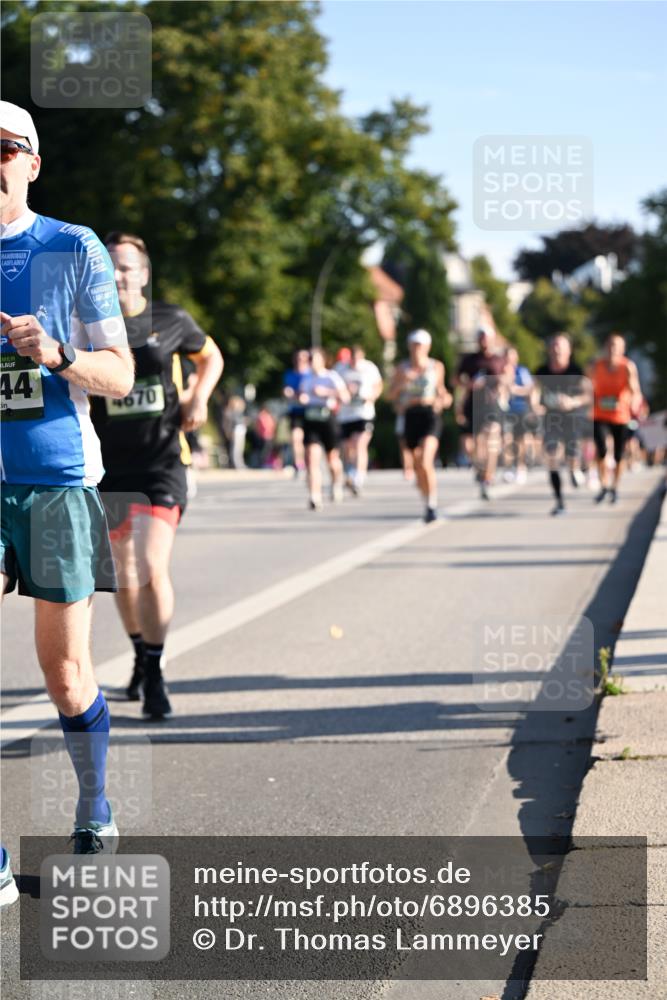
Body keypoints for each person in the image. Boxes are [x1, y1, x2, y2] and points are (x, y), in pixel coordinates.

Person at [0, 101, 134, 868]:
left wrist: (54, 352)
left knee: (66, 675)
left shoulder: (71, 246)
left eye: (2, 148)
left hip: (55, 479)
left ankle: (94, 803)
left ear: (32, 163)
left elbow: (120, 375)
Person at [89, 232, 223, 719]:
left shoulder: (170, 319)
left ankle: (155, 670)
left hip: (163, 462)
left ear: (144, 274)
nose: (118, 274)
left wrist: (198, 397)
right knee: (123, 576)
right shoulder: (87, 324)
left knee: (150, 566)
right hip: (110, 466)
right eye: (110, 266)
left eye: (127, 266)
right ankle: (140, 655)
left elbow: (211, 356)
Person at [388, 329, 452, 522]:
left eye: (421, 345)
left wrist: (444, 400)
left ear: (427, 347)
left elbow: (442, 391)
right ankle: (426, 500)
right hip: (410, 415)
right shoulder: (402, 368)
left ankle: (432, 504)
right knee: (417, 465)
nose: (417, 349)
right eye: (414, 345)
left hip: (429, 414)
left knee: (425, 460)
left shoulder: (435, 366)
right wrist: (402, 384)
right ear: (409, 347)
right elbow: (390, 395)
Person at [534, 332, 591, 516]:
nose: (556, 349)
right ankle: (559, 501)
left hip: (573, 417)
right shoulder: (542, 371)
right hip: (551, 418)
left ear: (569, 350)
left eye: (560, 346)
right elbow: (534, 391)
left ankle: (574, 468)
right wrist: (535, 406)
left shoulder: (576, 370)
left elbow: (588, 395)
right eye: (554, 345)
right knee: (551, 457)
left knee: (572, 453)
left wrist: (573, 401)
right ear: (549, 350)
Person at [588, 333, 642, 504]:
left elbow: (635, 391)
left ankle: (615, 487)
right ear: (606, 347)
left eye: (617, 346)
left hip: (620, 415)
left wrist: (634, 403)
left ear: (622, 349)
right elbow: (586, 387)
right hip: (599, 414)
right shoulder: (597, 365)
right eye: (610, 345)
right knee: (602, 449)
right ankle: (604, 485)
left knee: (619, 454)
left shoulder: (627, 367)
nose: (613, 349)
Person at [455, 327, 508, 499]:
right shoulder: (469, 360)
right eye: (481, 338)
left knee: (492, 439)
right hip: (473, 404)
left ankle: (488, 477)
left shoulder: (499, 359)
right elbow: (455, 379)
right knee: (475, 445)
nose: (484, 341)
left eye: (486, 338)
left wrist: (500, 381)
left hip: (492, 405)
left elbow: (509, 377)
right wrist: (469, 384)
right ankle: (480, 469)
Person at [298, 347, 349, 510]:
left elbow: (345, 397)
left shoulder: (331, 376)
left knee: (332, 459)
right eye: (310, 359)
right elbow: (302, 396)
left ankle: (336, 484)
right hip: (311, 419)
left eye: (315, 358)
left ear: (323, 360)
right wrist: (301, 398)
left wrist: (325, 392)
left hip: (327, 418)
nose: (312, 362)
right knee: (311, 457)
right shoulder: (306, 378)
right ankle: (315, 495)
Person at [337, 345, 383, 495]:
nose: (355, 362)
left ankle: (359, 477)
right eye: (352, 359)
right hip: (345, 414)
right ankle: (351, 471)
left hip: (364, 413)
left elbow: (378, 385)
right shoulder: (340, 368)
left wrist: (372, 397)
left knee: (360, 444)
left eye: (357, 359)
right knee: (348, 447)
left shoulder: (369, 368)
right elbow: (334, 386)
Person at [502, 347, 534, 484]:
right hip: (504, 410)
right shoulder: (500, 371)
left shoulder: (522, 371)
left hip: (520, 409)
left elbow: (530, 388)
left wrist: (515, 389)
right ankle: (508, 468)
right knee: (506, 439)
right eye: (507, 356)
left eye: (511, 356)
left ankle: (521, 467)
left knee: (520, 440)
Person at [282, 349, 310, 474]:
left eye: (303, 359)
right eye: (298, 359)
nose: (300, 361)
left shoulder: (311, 374)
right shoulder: (289, 374)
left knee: (309, 441)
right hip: (295, 411)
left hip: (310, 411)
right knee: (295, 438)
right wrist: (288, 393)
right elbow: (286, 391)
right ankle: (299, 464)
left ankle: (310, 462)